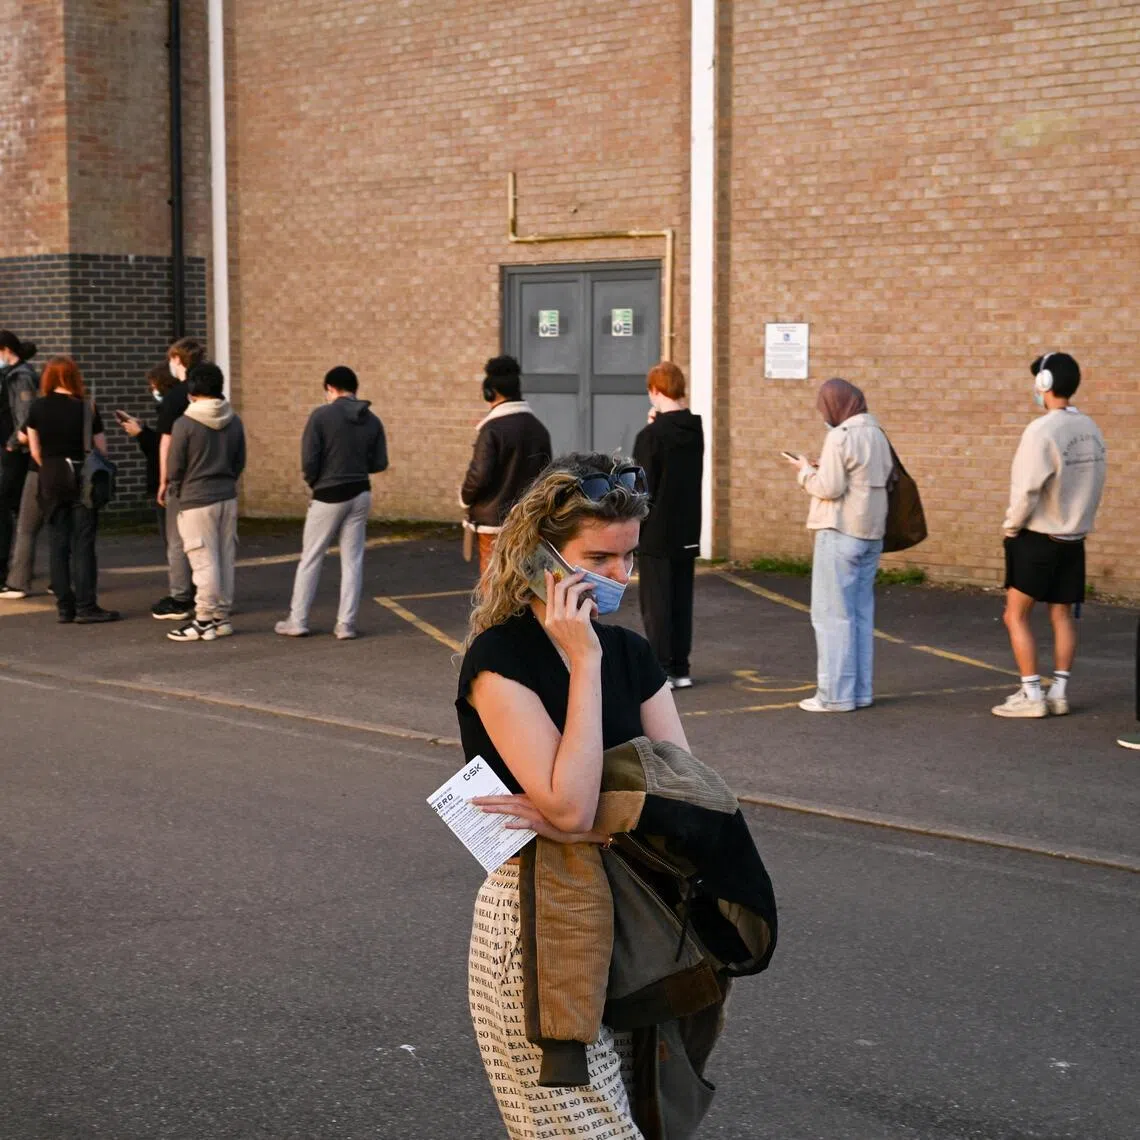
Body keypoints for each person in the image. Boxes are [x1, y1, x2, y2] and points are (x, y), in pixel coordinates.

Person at [455, 452, 689, 1137]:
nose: (621, 576)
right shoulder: (502, 659)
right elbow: (570, 808)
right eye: (601, 558)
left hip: (636, 923)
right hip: (537, 925)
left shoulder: (634, 656)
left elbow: (685, 800)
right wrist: (583, 661)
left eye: (629, 558)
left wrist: (587, 822)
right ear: (540, 558)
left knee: (641, 1120)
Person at [992, 351, 1106, 718]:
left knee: (1015, 616)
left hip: (1038, 538)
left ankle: (1031, 695)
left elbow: (1026, 489)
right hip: (1074, 540)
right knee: (1061, 615)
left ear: (1044, 385)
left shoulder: (1041, 430)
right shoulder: (1091, 429)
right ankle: (1058, 692)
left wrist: (1011, 527)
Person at [784, 378, 893, 712]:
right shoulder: (877, 433)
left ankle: (834, 695)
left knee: (831, 615)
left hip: (839, 530)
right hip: (871, 533)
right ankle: (860, 691)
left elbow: (829, 488)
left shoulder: (840, 436)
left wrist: (804, 471)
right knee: (859, 615)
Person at [275, 365, 388, 640]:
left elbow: (309, 459)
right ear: (355, 388)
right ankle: (345, 625)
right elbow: (380, 462)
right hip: (360, 491)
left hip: (328, 493)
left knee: (311, 558)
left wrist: (315, 482)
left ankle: (298, 620)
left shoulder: (321, 416)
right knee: (353, 561)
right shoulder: (371, 419)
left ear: (330, 389)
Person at [24, 356, 120, 623]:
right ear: (75, 377)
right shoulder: (87, 407)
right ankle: (86, 606)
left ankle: (64, 607)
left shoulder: (37, 408)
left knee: (58, 541)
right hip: (82, 475)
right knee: (84, 542)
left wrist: (51, 467)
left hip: (51, 475)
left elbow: (35, 450)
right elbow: (102, 448)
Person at [632, 360, 704, 689]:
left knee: (657, 602)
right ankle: (680, 667)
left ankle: (661, 668)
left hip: (657, 531)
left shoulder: (650, 436)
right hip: (687, 527)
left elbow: (642, 488)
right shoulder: (695, 430)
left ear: (655, 390)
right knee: (680, 600)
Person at [164, 362, 246, 643]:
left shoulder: (185, 423)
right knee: (225, 558)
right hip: (227, 495)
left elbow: (174, 466)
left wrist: (176, 487)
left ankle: (202, 621)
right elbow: (239, 461)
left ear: (192, 390)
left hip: (196, 499)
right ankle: (221, 617)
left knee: (203, 561)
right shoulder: (234, 420)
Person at [459, 355, 551, 574]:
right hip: (528, 522)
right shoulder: (539, 429)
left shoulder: (491, 430)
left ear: (489, 392)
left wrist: (464, 499)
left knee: (493, 584)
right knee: (525, 582)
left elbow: (478, 476)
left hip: (493, 524)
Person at [152, 337, 204, 620]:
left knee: (176, 539)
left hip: (181, 478)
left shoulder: (173, 398)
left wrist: (163, 480)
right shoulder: (209, 393)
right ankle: (205, 592)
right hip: (207, 474)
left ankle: (181, 596)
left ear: (178, 361)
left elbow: (166, 443)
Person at [0, 330, 39, 596]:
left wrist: (13, 443)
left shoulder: (21, 377)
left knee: (5, 508)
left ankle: (8, 568)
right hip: (10, 450)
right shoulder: (10, 375)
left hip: (15, 453)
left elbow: (26, 416)